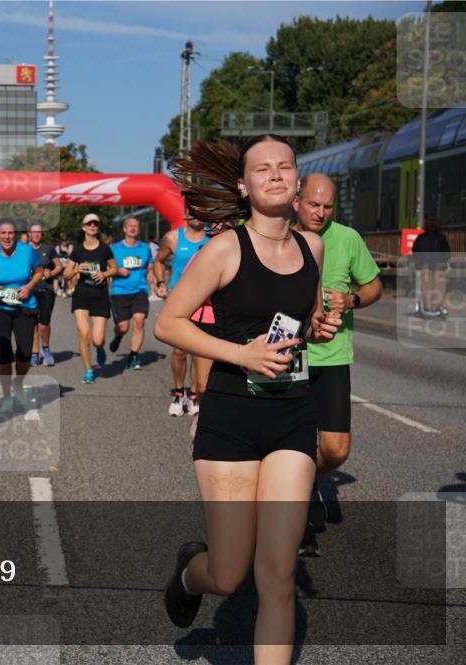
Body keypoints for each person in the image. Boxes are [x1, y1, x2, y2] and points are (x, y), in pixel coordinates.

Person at [154, 135, 340, 663]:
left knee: (277, 575)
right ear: (244, 185)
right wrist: (242, 354)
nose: (276, 175)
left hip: (293, 416)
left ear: (298, 180)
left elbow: (304, 327)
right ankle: (192, 573)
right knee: (230, 573)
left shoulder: (313, 247)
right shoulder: (224, 248)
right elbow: (168, 324)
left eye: (286, 166)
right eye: (263, 169)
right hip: (231, 419)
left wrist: (321, 327)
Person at [293, 173, 382, 555]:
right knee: (291, 445)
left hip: (332, 356)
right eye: (314, 204)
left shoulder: (347, 238)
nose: (321, 212)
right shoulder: (277, 234)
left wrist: (352, 300)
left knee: (336, 449)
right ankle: (295, 524)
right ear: (296, 201)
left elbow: (374, 286)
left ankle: (306, 482)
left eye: (328, 206)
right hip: (288, 354)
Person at [154, 213, 211, 417]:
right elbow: (158, 261)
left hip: (205, 302)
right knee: (179, 351)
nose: (196, 215)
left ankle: (194, 394)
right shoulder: (173, 238)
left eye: (200, 211)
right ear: (186, 214)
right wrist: (161, 283)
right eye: (192, 211)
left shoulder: (214, 239)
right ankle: (179, 392)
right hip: (179, 302)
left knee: (199, 353)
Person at [0, 220, 42, 414]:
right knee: (4, 356)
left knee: (25, 354)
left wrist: (29, 286)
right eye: (3, 233)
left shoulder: (27, 250)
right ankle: (6, 397)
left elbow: (39, 271)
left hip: (24, 307)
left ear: (14, 234)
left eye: (10, 233)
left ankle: (18, 383)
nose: (7, 237)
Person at [62, 214, 117, 384]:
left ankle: (99, 348)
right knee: (84, 334)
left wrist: (104, 273)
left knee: (97, 339)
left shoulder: (105, 249)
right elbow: (66, 274)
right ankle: (88, 369)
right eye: (89, 223)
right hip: (81, 295)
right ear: (84, 227)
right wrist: (77, 269)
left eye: (95, 223)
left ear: (97, 227)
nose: (92, 226)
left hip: (99, 296)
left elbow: (114, 268)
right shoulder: (77, 251)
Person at [108, 215, 154, 370]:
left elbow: (150, 265)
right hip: (119, 291)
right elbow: (108, 269)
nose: (133, 228)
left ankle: (133, 356)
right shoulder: (114, 248)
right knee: (123, 327)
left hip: (140, 290)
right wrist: (117, 271)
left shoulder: (145, 248)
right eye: (130, 226)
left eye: (136, 226)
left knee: (139, 321)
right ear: (124, 229)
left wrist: (151, 275)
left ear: (139, 230)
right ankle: (118, 336)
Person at [28, 223, 63, 366]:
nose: (36, 234)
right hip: (29, 289)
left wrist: (52, 272)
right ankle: (34, 353)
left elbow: (59, 265)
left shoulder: (48, 249)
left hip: (46, 289)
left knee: (43, 323)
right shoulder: (24, 249)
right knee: (32, 325)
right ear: (29, 234)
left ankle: (46, 349)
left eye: (39, 232)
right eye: (34, 232)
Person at [412, 218, 452, 317]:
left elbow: (415, 252)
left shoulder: (420, 237)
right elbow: (447, 253)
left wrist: (418, 265)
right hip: (440, 267)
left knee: (426, 288)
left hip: (425, 266)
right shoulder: (442, 237)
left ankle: (428, 308)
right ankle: (436, 308)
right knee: (439, 288)